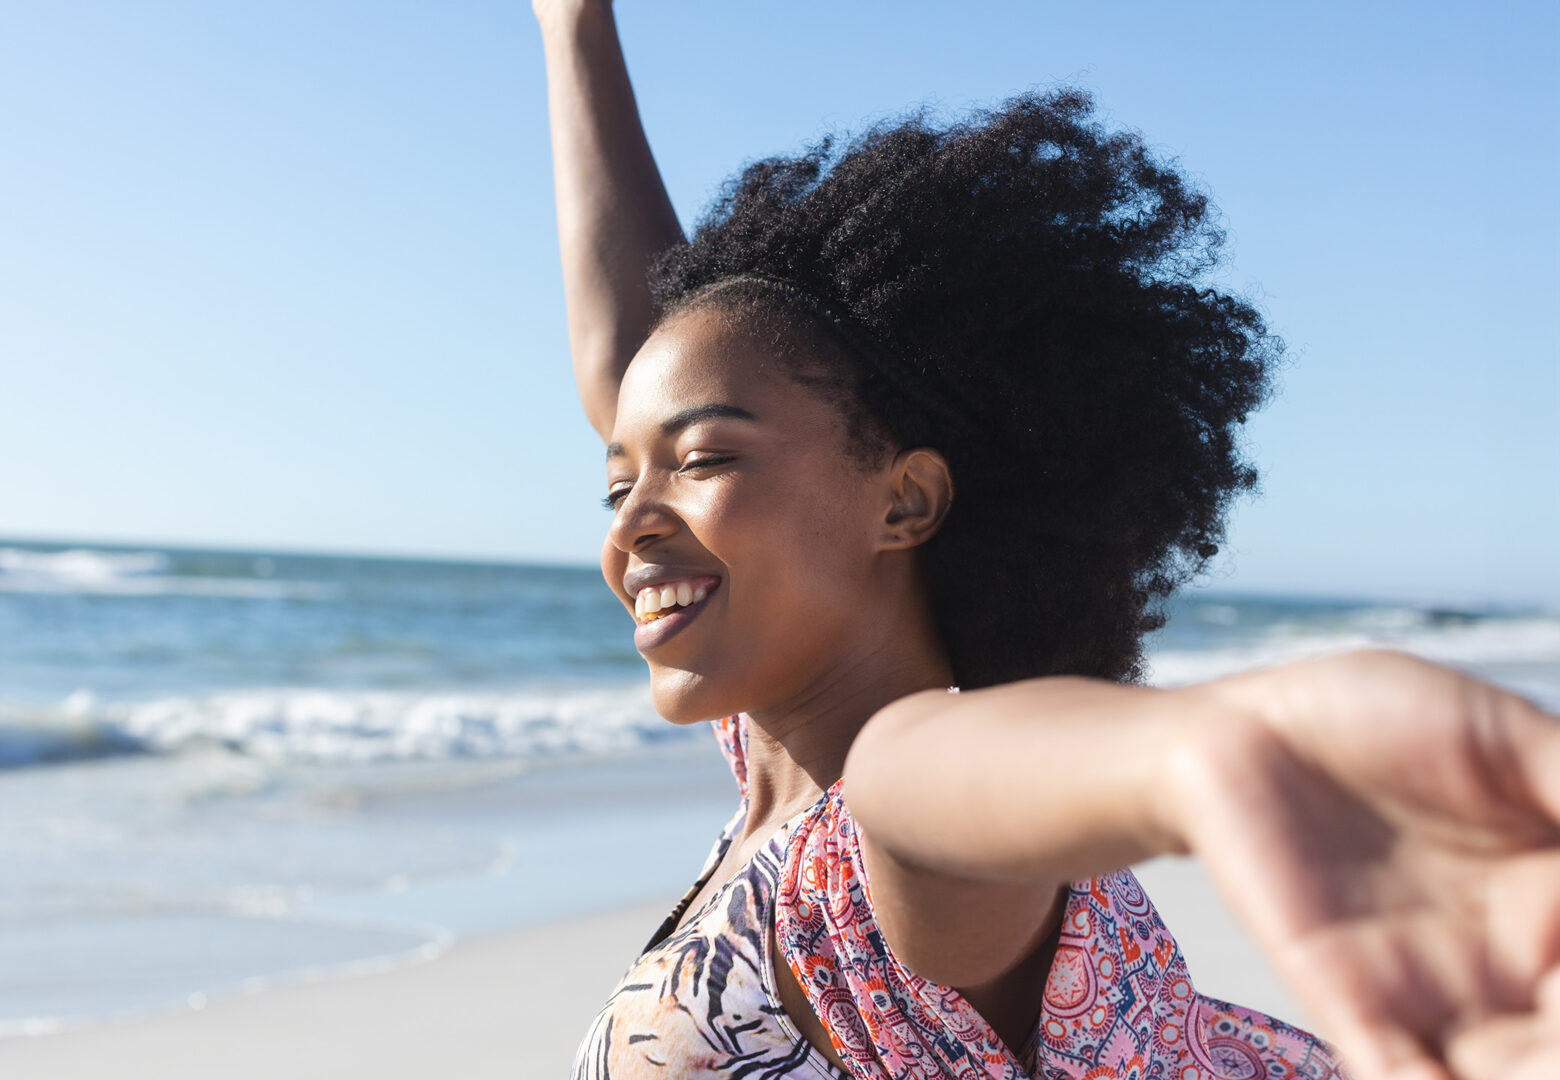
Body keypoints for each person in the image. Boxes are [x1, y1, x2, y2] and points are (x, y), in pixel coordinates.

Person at [532, 3, 1560, 1079]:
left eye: (701, 463)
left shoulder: (892, 806)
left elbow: (931, 785)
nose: (635, 519)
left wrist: (1197, 751)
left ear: (906, 503)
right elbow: (633, 361)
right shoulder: (774, 755)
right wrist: (572, 26)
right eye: (617, 482)